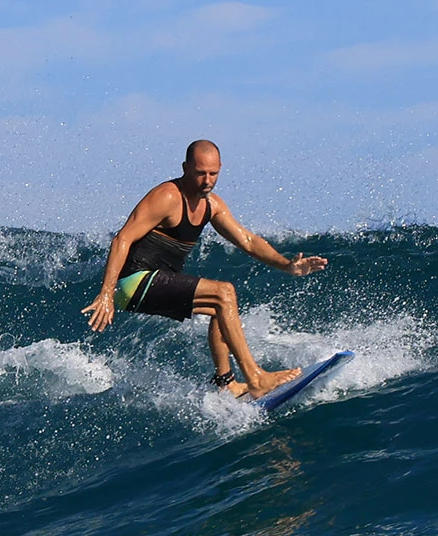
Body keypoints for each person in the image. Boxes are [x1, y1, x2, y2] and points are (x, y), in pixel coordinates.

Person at [83, 140, 328, 397]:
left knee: (222, 309)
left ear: (220, 168)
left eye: (213, 173)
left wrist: (287, 265)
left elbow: (248, 241)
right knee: (224, 293)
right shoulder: (167, 197)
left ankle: (227, 384)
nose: (207, 180)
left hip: (154, 281)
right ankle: (256, 378)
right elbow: (122, 239)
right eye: (200, 173)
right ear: (185, 168)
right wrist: (106, 293)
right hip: (133, 280)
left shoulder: (212, 205)